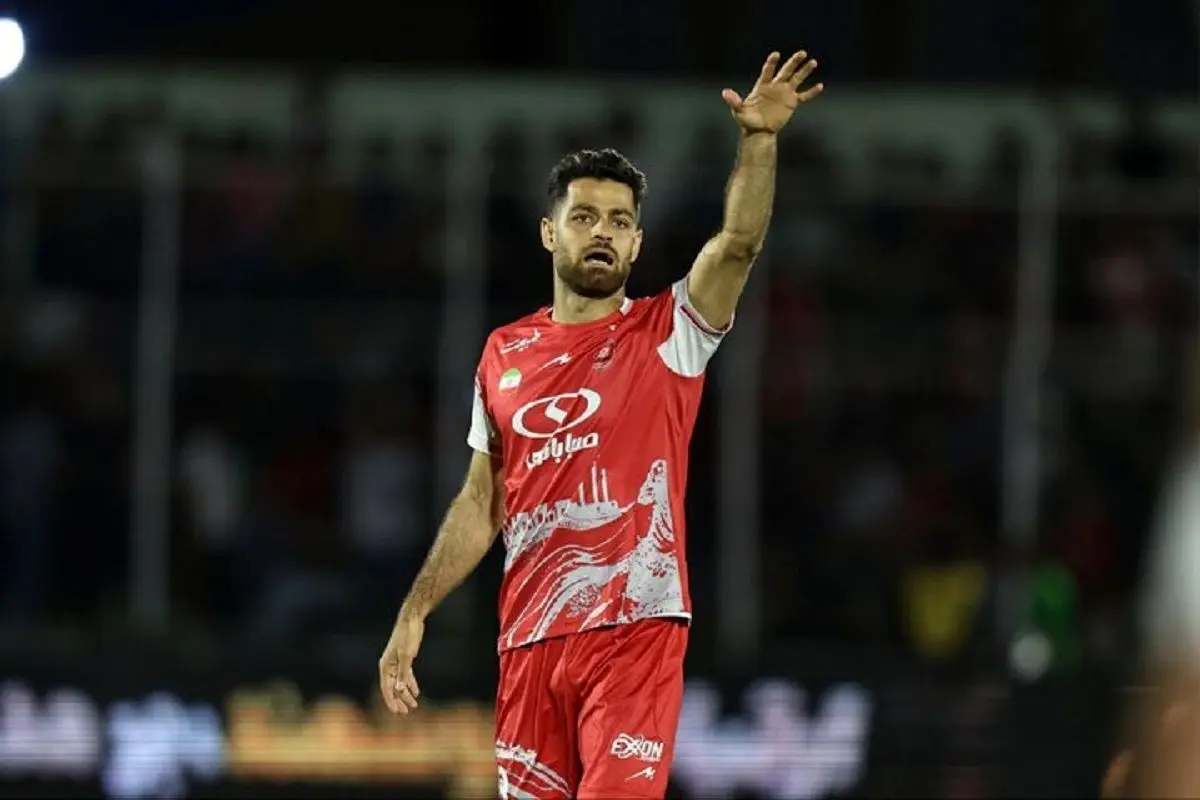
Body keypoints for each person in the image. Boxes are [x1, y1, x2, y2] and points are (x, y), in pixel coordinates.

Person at [378, 51, 824, 799]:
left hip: (634, 630)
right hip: (528, 644)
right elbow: (482, 500)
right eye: (583, 217)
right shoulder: (503, 354)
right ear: (549, 234)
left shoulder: (670, 333)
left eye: (620, 221)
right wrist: (415, 611)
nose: (603, 232)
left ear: (638, 243)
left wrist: (759, 142)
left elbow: (737, 245)